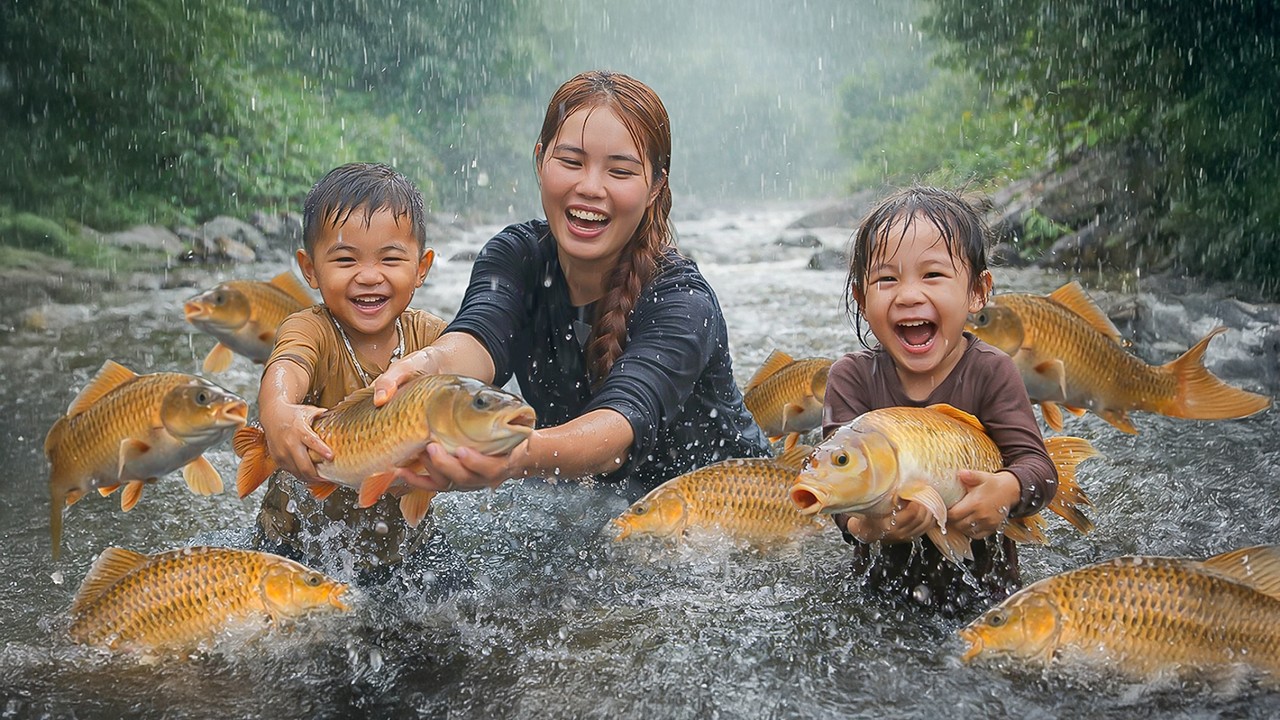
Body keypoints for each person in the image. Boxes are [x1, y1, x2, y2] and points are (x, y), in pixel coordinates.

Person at [371, 70, 770, 500]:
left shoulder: (682, 301)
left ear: (655, 186)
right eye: (571, 162)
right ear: (541, 160)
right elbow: (477, 338)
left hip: (735, 517)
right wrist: (428, 366)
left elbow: (616, 430)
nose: (590, 187)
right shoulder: (517, 257)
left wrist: (518, 456)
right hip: (601, 508)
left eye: (620, 171)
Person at [823, 185, 1058, 616]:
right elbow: (832, 487)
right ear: (861, 297)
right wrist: (867, 524)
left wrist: (1004, 491)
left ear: (977, 292)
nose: (909, 295)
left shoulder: (992, 372)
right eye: (886, 279)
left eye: (932, 275)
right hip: (879, 597)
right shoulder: (851, 379)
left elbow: (1039, 470)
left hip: (984, 597)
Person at [252, 162, 452, 579]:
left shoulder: (434, 341)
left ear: (421, 267)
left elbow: (472, 388)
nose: (368, 276)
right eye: (345, 259)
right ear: (310, 269)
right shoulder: (311, 330)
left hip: (408, 549)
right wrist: (277, 413)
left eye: (390, 258)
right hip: (297, 546)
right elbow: (286, 367)